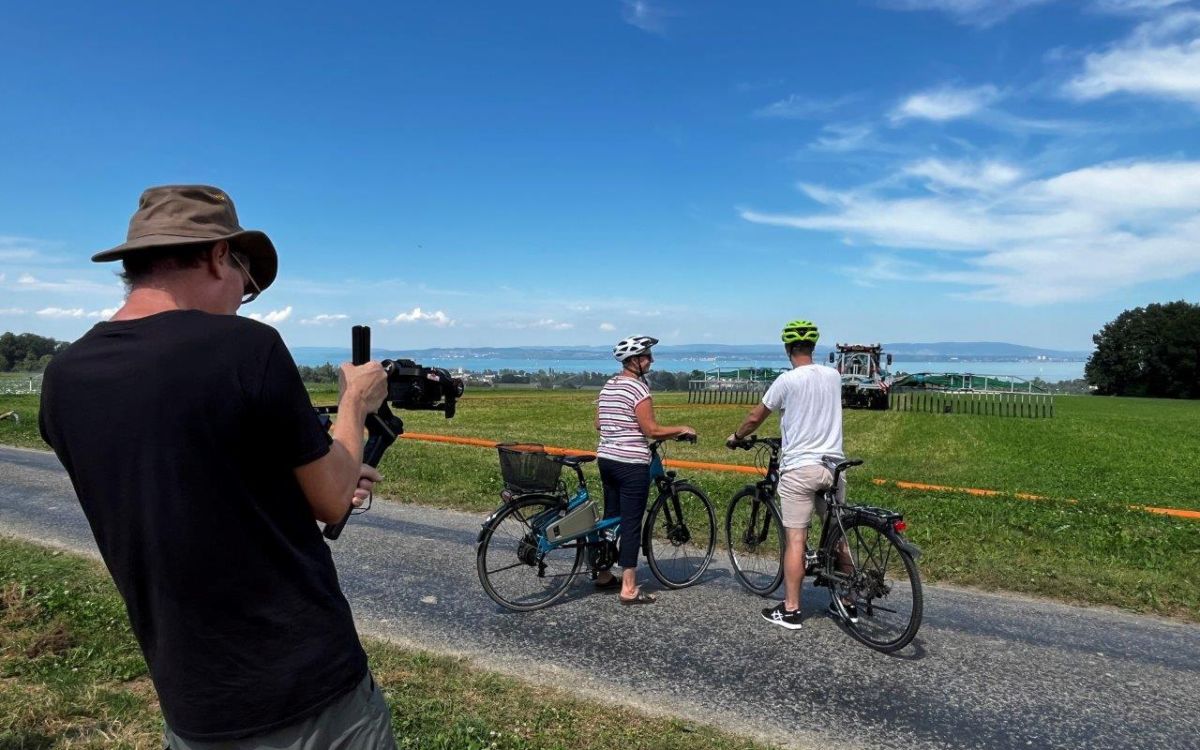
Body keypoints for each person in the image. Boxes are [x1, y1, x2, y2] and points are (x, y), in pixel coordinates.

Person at [38, 185, 397, 748]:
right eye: (247, 286)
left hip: (193, 697)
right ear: (217, 255)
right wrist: (355, 404)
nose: (241, 301)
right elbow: (329, 498)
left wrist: (307, 479)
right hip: (304, 685)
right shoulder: (244, 348)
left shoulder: (65, 378)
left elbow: (192, 483)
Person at [726, 320, 850, 631]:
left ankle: (791, 609)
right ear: (813, 347)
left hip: (800, 468)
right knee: (839, 534)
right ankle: (848, 602)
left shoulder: (786, 380)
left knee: (796, 539)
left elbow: (757, 416)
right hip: (834, 466)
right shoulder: (834, 376)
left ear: (788, 349)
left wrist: (737, 436)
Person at [593, 335, 696, 605]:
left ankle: (603, 574)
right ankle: (628, 587)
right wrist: (681, 428)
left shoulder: (608, 386)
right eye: (647, 356)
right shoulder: (639, 389)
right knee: (630, 524)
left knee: (611, 517)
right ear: (634, 361)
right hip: (631, 465)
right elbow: (651, 430)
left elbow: (598, 425)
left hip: (606, 459)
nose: (651, 360)